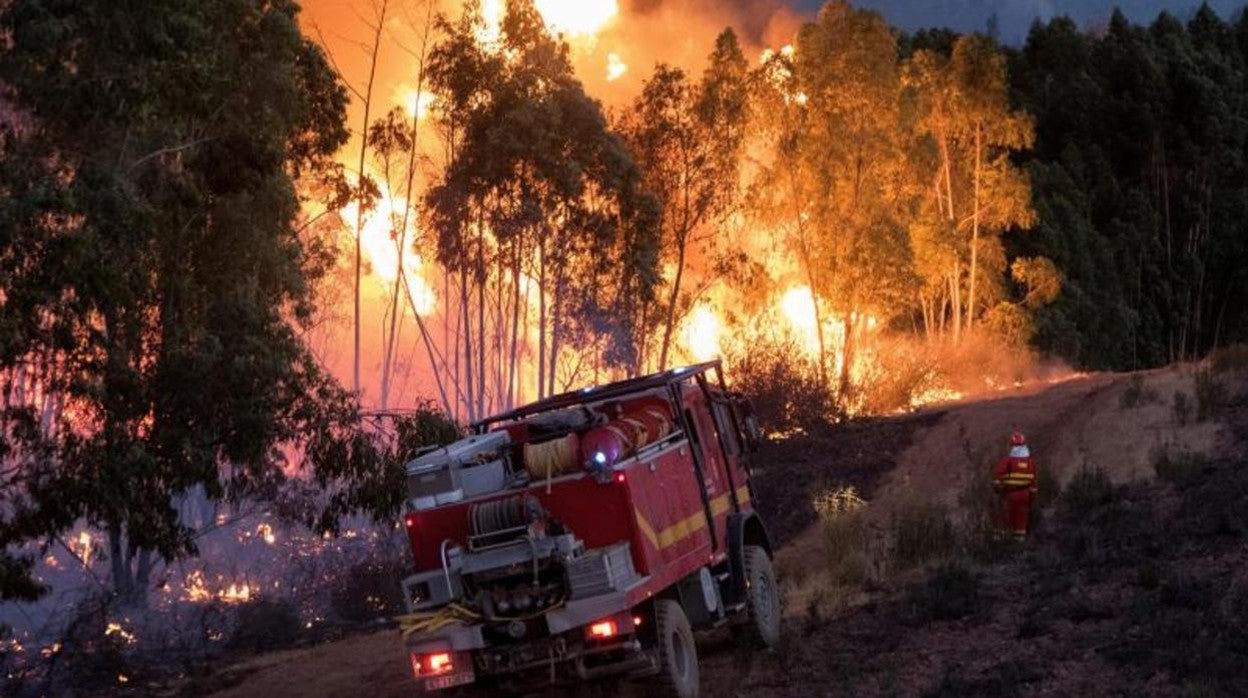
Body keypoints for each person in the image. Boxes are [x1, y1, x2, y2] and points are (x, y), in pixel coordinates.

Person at [992, 430, 1037, 541]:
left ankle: (999, 542)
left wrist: (998, 489)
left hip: (1010, 494)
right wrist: (1031, 498)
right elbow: (1034, 483)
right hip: (1025, 495)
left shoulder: (1007, 461)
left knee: (1004, 518)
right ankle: (1019, 543)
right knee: (1021, 520)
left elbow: (998, 476)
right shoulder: (1031, 463)